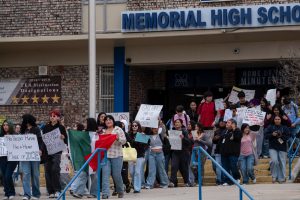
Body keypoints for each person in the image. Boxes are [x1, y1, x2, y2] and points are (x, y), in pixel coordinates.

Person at [42, 110, 68, 198]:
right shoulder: (45, 127)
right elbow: (43, 140)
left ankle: (57, 190)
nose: (52, 117)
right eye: (51, 116)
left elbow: (66, 140)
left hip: (57, 152)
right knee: (47, 171)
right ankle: (50, 191)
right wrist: (41, 150)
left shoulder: (61, 127)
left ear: (58, 117)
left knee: (55, 169)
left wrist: (63, 137)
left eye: (54, 116)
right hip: (47, 152)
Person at [101, 115, 126, 199]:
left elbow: (124, 141)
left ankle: (120, 190)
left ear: (113, 121)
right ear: (104, 122)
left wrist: (118, 138)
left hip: (117, 155)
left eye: (110, 119)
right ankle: (105, 194)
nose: (108, 121)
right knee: (105, 174)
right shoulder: (103, 131)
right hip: (105, 156)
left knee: (116, 175)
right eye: (106, 120)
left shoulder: (118, 129)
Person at [20, 114, 44, 200]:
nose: (24, 122)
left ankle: (36, 194)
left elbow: (41, 141)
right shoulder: (23, 130)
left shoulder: (36, 129)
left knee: (35, 174)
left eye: (25, 120)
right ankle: (26, 194)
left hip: (34, 155)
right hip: (25, 156)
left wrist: (40, 150)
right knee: (26, 174)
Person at [264, 115, 290, 183]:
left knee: (282, 163)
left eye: (279, 119)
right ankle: (274, 176)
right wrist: (272, 134)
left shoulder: (284, 127)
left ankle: (281, 178)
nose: (277, 120)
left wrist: (281, 135)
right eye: (276, 119)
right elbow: (266, 136)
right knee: (274, 161)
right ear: (274, 120)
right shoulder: (270, 127)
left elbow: (288, 137)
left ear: (281, 120)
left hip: (282, 147)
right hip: (272, 147)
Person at [170, 119, 193, 187]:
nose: (177, 123)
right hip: (175, 152)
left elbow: (189, 143)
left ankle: (186, 182)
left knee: (184, 168)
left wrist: (183, 138)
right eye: (175, 122)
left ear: (181, 124)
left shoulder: (185, 131)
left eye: (178, 122)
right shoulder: (172, 131)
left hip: (184, 152)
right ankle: (172, 182)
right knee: (174, 166)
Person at [219, 119, 242, 185]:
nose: (227, 124)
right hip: (224, 153)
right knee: (225, 167)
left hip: (233, 153)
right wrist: (218, 150)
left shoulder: (238, 131)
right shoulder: (225, 131)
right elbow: (220, 141)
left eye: (229, 123)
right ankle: (227, 181)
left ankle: (236, 178)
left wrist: (234, 129)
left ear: (233, 124)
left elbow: (237, 137)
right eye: (227, 122)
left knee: (233, 166)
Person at [128, 121, 149, 193]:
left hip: (139, 155)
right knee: (131, 172)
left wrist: (141, 138)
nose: (134, 127)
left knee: (137, 172)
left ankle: (137, 188)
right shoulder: (129, 135)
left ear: (138, 127)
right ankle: (134, 184)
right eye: (133, 126)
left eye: (136, 126)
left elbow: (145, 145)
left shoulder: (141, 135)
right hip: (130, 155)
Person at [0, 120, 18, 200]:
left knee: (8, 175)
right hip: (2, 158)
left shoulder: (15, 135)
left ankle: (11, 192)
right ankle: (7, 193)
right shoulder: (1, 135)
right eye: (4, 125)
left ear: (10, 126)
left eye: (7, 125)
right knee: (4, 176)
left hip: (12, 159)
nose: (5, 126)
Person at [212, 118, 226, 185]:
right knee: (216, 166)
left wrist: (219, 137)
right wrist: (215, 138)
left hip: (225, 151)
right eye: (221, 121)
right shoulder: (216, 131)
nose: (222, 122)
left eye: (223, 121)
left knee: (222, 166)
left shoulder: (227, 130)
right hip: (217, 150)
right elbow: (214, 141)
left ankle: (221, 180)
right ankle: (219, 179)